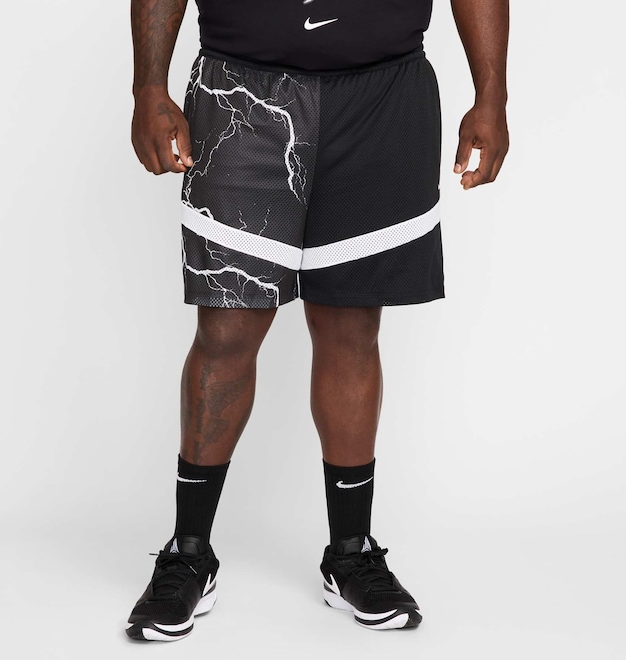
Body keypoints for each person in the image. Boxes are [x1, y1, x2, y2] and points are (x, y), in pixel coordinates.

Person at [125, 0, 509, 641]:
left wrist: (491, 95)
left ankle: (351, 553)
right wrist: (148, 87)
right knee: (227, 329)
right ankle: (188, 553)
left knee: (351, 328)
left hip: (385, 96)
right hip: (242, 91)